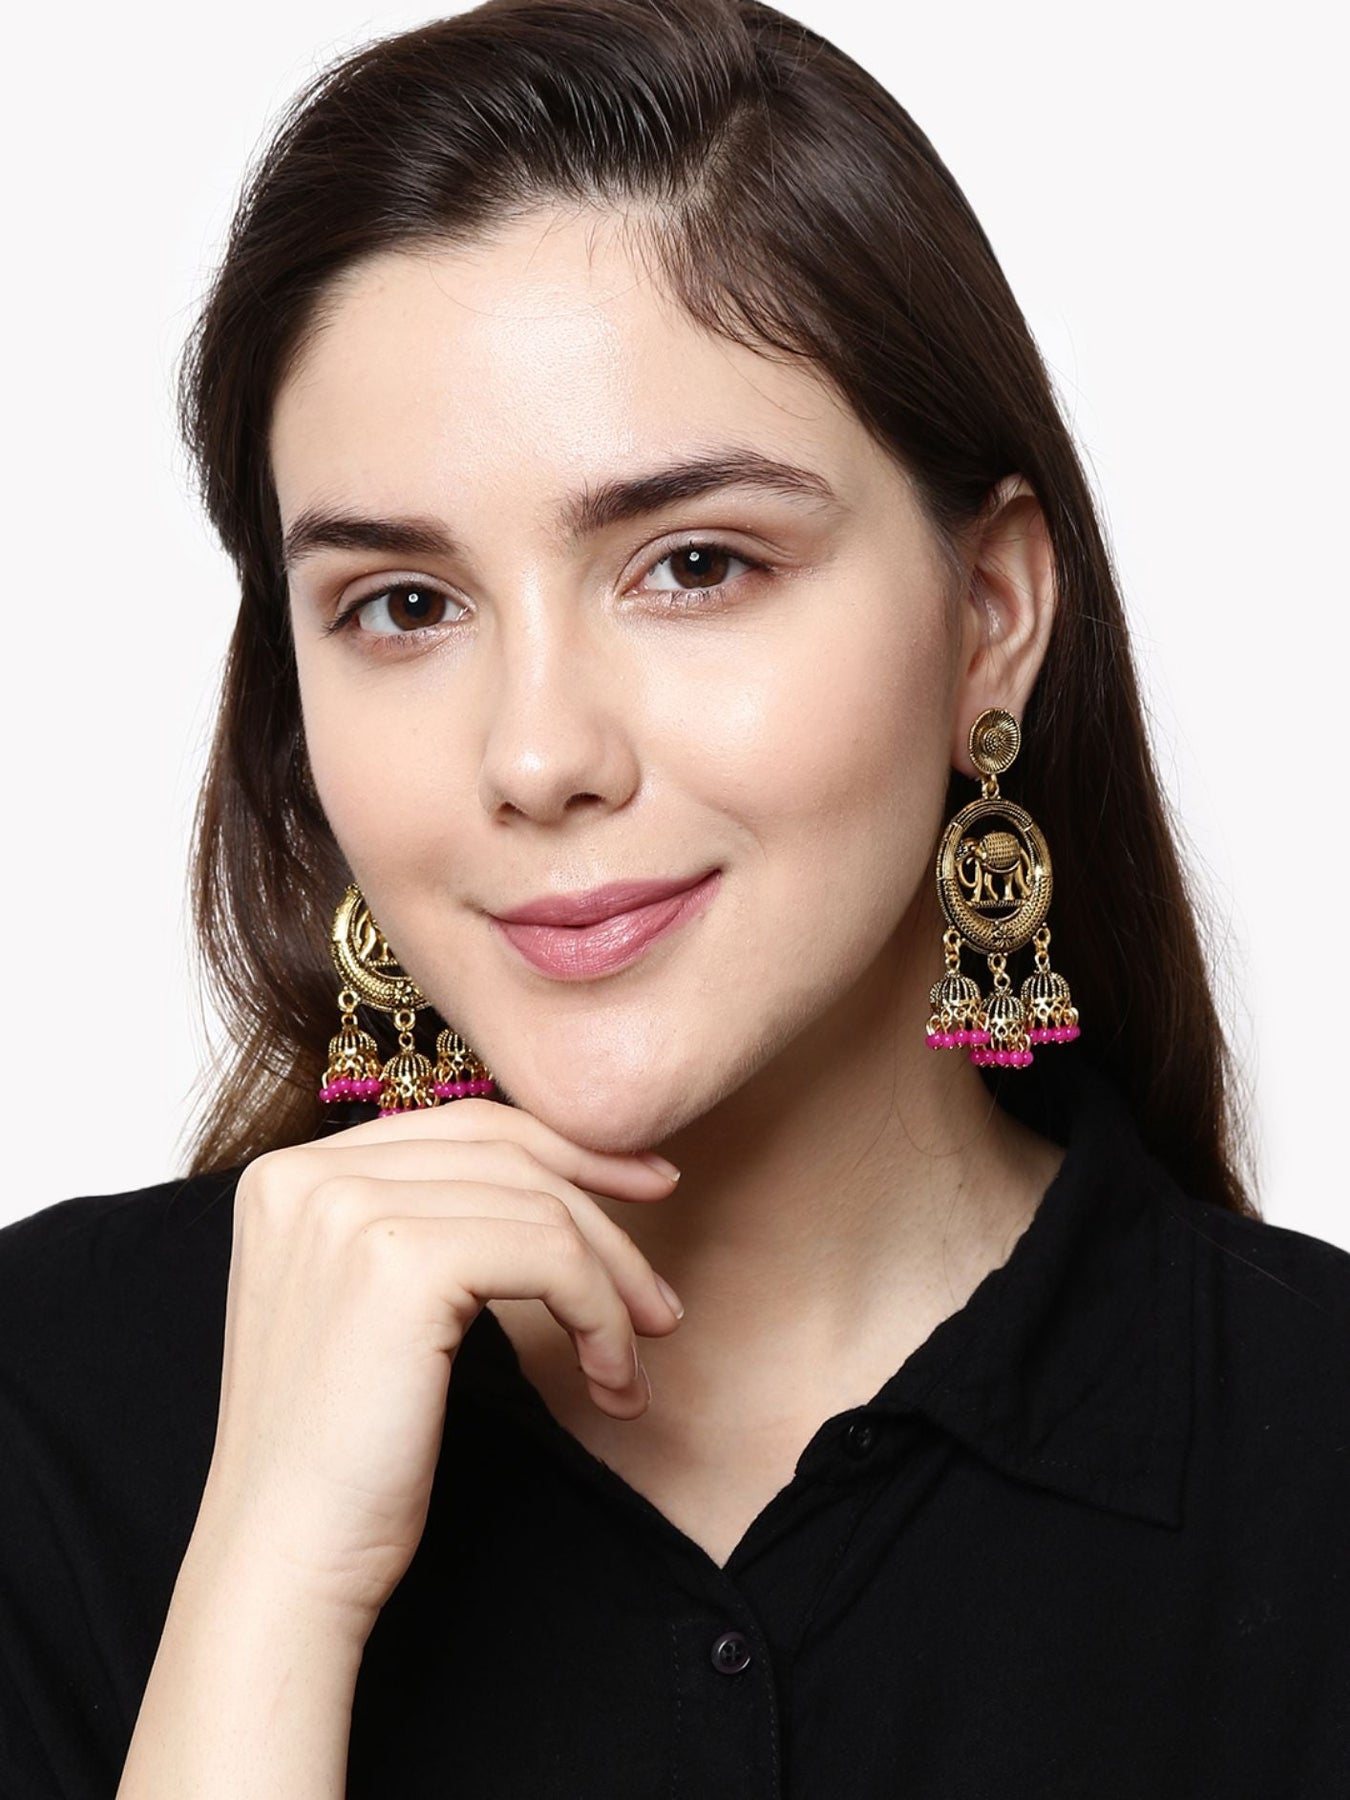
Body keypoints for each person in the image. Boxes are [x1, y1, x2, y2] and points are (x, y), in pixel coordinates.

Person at [1, 0, 1347, 1793]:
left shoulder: (1307, 1456)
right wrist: (268, 1581)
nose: (534, 754)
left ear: (991, 616)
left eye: (693, 564)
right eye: (403, 606)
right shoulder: (46, 1409)